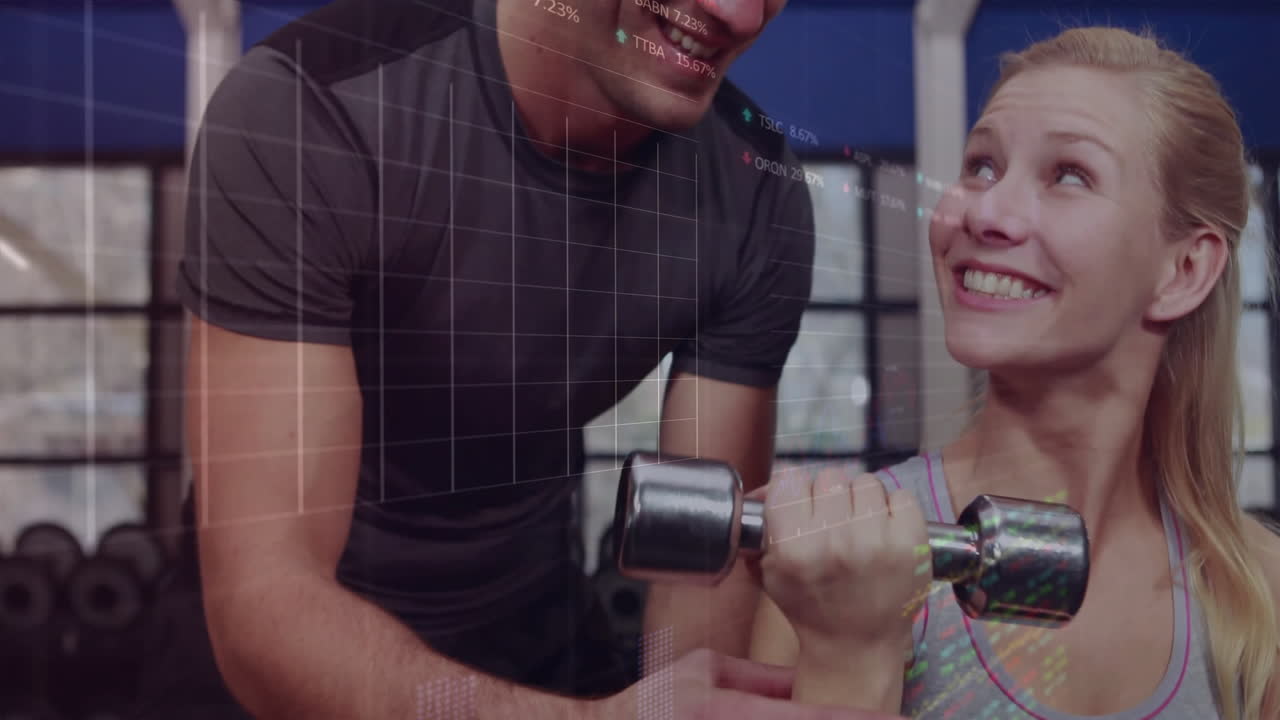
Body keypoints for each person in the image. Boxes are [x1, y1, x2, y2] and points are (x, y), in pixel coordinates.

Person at [137, 0, 905, 718]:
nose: (740, 15)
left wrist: (664, 699)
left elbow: (696, 565)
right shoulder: (315, 108)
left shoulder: (754, 195)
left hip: (539, 649)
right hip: (278, 669)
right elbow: (269, 601)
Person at [745, 25, 1280, 720]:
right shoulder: (836, 565)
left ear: (1183, 270)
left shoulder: (1258, 593)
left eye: (1068, 175)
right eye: (982, 167)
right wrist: (851, 659)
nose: (984, 211)